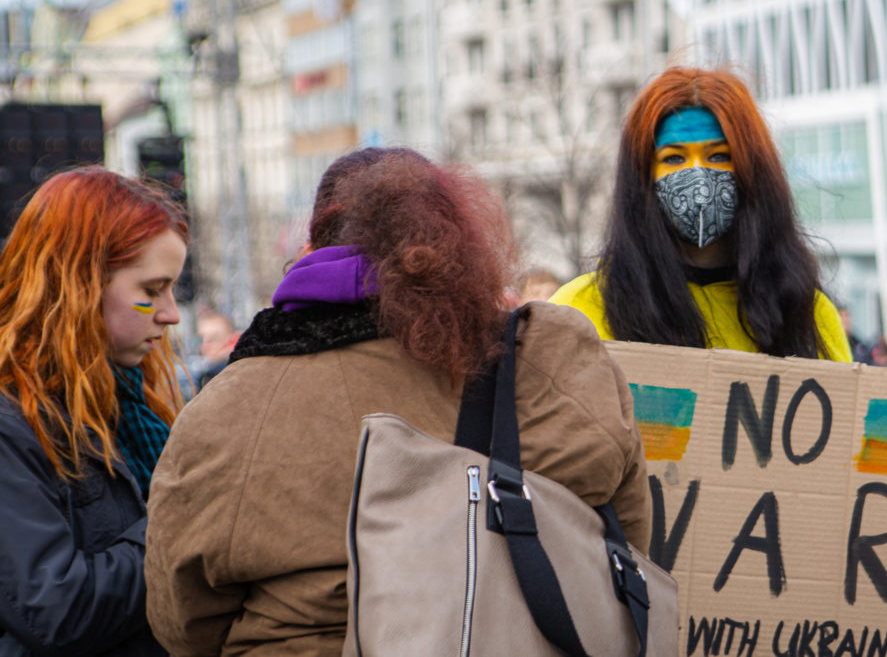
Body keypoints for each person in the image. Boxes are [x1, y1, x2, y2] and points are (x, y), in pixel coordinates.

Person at [144, 147, 651, 653]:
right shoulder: (556, 355)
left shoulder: (228, 408)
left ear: (313, 247)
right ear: (456, 233)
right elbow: (627, 541)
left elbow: (179, 619)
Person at [548, 66, 887, 550]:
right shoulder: (579, 311)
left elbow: (858, 473)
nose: (699, 175)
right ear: (642, 177)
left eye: (719, 156)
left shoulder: (807, 311)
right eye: (673, 158)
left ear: (751, 168)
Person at [0, 167, 188, 655]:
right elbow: (53, 611)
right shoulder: (12, 421)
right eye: (151, 291)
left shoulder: (128, 402)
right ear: (79, 283)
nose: (170, 313)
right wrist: (185, 518)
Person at [192, 308, 239, 390]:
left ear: (231, 339)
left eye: (213, 339)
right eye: (200, 340)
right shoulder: (206, 370)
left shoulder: (218, 373)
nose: (205, 346)